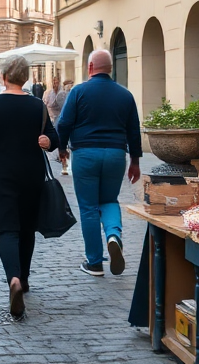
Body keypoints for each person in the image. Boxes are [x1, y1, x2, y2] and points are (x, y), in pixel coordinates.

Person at [0, 55, 59, 318]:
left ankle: (14, 280)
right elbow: (53, 139)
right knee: (27, 228)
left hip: (1, 174)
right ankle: (25, 278)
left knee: (7, 229)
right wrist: (47, 142)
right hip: (31, 173)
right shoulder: (37, 106)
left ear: (4, 76)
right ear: (26, 77)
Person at [57, 50, 142, 277]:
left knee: (89, 207)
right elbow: (134, 131)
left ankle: (94, 262)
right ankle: (113, 235)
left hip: (85, 155)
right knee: (109, 200)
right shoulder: (125, 95)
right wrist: (135, 161)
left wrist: (62, 148)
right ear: (111, 68)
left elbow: (64, 123)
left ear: (90, 67)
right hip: (115, 155)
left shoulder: (78, 92)